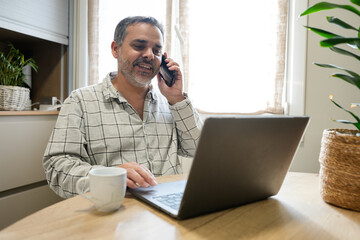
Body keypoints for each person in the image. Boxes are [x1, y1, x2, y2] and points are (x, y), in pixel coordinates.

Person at [43, 16, 202, 199]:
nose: (150, 55)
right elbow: (56, 168)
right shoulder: (80, 101)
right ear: (115, 49)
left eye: (157, 50)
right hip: (115, 209)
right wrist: (110, 176)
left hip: (169, 206)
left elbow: (196, 148)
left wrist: (176, 98)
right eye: (139, 46)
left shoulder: (171, 103)